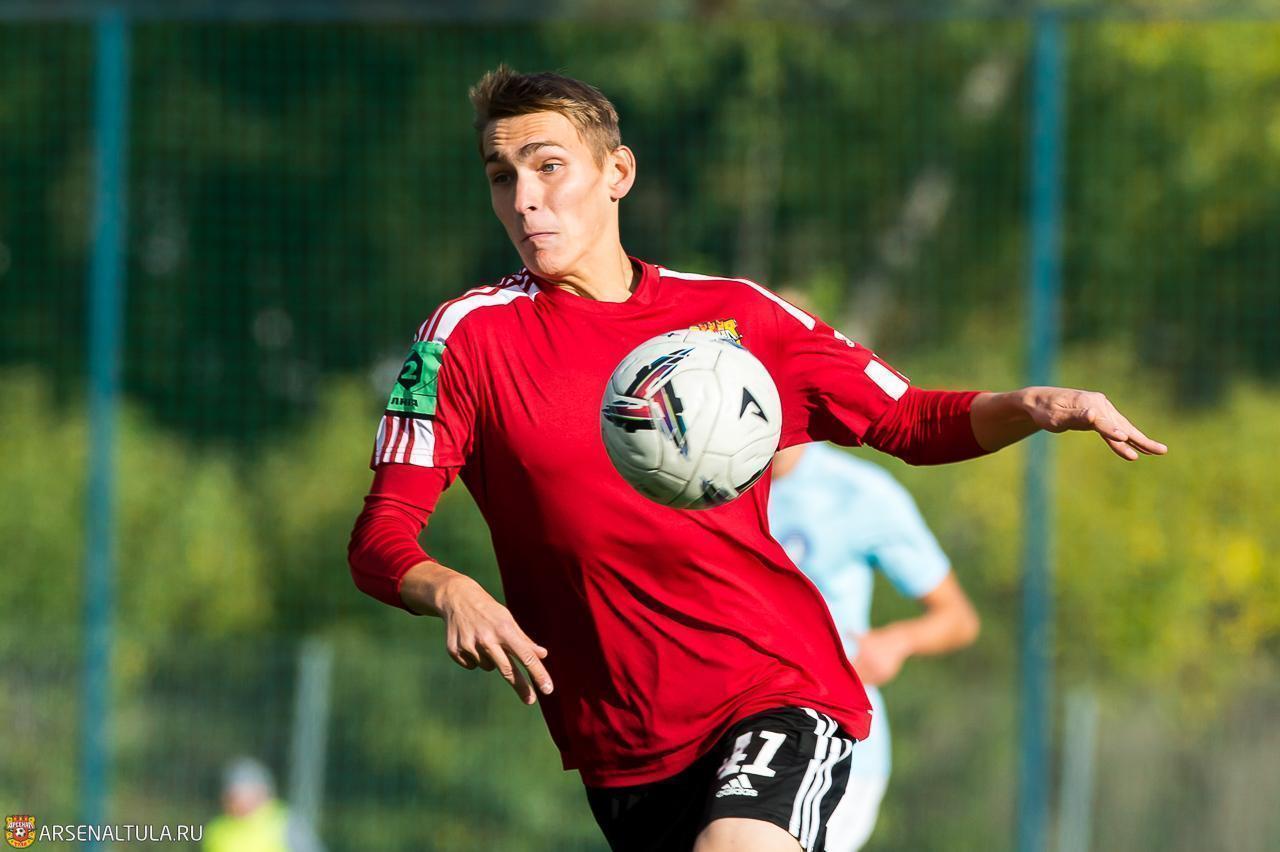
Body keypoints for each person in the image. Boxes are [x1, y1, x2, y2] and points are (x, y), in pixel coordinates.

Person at [346, 66, 1165, 852]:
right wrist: (449, 589)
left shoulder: (735, 317)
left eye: (549, 166)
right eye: (502, 176)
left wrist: (1032, 405)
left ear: (617, 172)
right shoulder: (466, 339)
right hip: (623, 749)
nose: (525, 198)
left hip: (775, 686)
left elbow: (909, 421)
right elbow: (380, 538)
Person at [769, 441, 980, 850]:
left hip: (833, 744)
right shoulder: (691, 483)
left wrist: (897, 641)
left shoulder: (858, 492)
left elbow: (958, 618)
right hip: (716, 736)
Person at [203, 757, 323, 852]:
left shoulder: (285, 824)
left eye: (243, 793)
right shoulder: (215, 830)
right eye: (232, 795)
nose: (237, 801)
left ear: (261, 791)